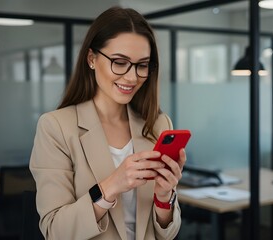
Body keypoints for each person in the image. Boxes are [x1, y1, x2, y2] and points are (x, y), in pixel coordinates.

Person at [29, 6, 186, 240]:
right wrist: (111, 186)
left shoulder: (158, 124)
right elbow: (55, 231)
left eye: (142, 65)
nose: (132, 77)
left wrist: (164, 198)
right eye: (120, 62)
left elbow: (167, 233)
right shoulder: (56, 127)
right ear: (92, 59)